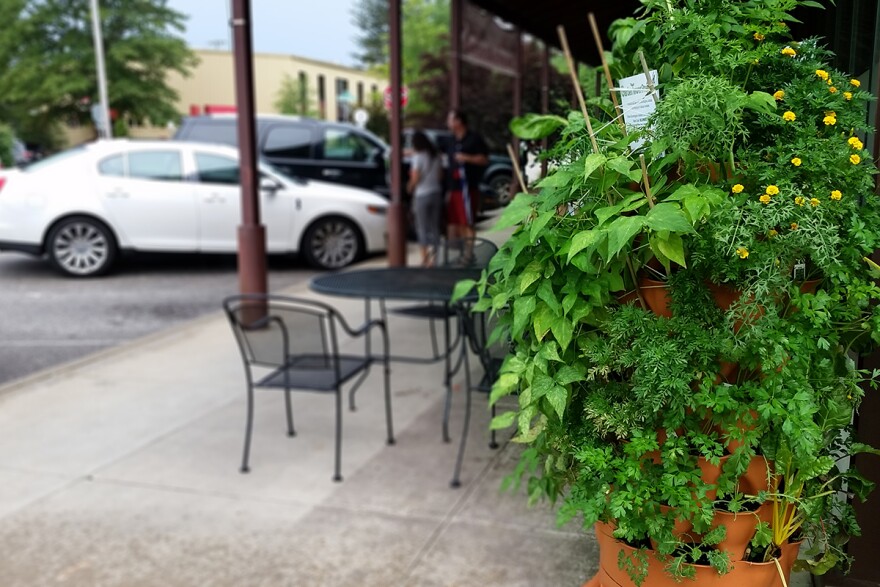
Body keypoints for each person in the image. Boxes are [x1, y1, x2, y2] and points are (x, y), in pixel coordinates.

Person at [445, 109, 489, 243]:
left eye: (451, 120)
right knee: (456, 222)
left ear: (459, 121)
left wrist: (467, 158)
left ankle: (469, 255)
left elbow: (484, 159)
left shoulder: (474, 138)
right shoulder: (451, 140)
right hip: (453, 186)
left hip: (468, 187)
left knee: (467, 221)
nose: (448, 123)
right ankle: (463, 251)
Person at [407, 130, 444, 267]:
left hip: (422, 195)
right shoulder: (436, 156)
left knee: (422, 228)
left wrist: (409, 187)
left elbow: (415, 177)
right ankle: (437, 258)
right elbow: (440, 176)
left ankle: (425, 259)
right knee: (435, 227)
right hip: (436, 193)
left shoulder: (418, 157)